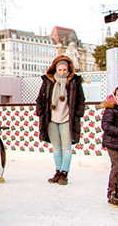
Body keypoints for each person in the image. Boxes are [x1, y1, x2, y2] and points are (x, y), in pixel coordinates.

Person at [35, 55, 85, 185]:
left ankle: (64, 173)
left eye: (64, 70)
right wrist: (39, 111)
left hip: (67, 118)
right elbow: (40, 98)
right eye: (60, 70)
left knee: (66, 147)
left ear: (69, 69)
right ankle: (57, 171)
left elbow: (80, 99)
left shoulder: (74, 81)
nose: (62, 72)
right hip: (51, 119)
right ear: (55, 70)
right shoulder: (48, 81)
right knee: (56, 147)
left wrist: (78, 113)